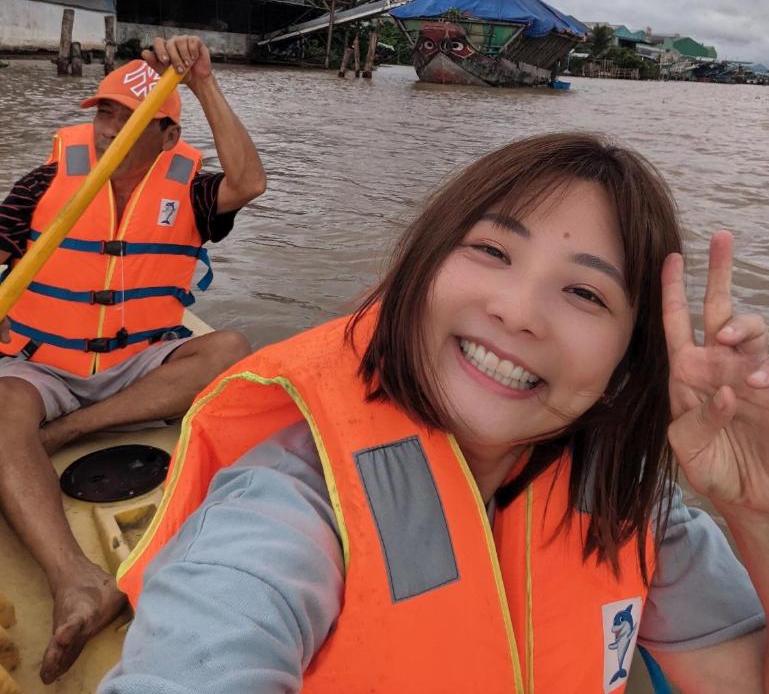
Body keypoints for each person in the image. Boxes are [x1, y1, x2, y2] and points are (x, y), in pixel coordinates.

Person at [103, 133, 768, 694]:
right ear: (418, 270)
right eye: (492, 251)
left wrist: (753, 514)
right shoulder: (287, 510)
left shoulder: (629, 509)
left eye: (584, 292)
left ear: (626, 363)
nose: (517, 311)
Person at [0, 35, 267, 684]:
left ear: (165, 136)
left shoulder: (189, 192)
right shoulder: (44, 182)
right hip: (42, 364)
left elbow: (249, 182)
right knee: (2, 408)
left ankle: (65, 433)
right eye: (104, 113)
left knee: (230, 349)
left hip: (137, 361)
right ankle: (77, 582)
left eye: (128, 119)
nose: (108, 129)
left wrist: (203, 82)